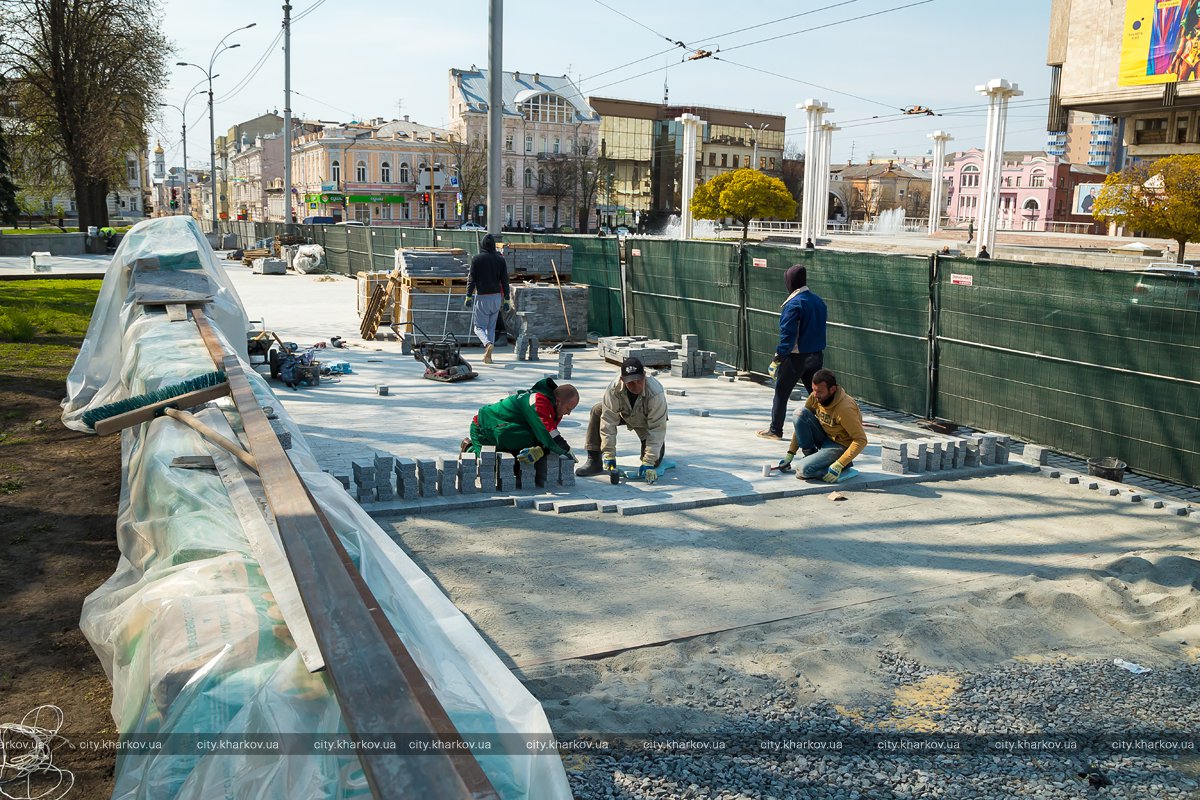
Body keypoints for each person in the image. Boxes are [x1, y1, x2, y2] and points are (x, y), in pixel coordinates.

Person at [467, 377, 579, 487]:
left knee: (517, 468)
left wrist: (540, 450)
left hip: (505, 432)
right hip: (485, 429)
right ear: (558, 401)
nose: (568, 413)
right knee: (489, 469)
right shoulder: (538, 401)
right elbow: (549, 436)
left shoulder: (555, 410)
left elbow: (546, 437)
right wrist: (567, 450)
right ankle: (469, 447)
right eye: (568, 409)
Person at [758, 264, 827, 441]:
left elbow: (788, 335)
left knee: (781, 392)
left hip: (796, 358)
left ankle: (775, 430)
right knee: (817, 395)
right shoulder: (818, 301)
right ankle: (829, 429)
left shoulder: (793, 304)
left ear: (790, 282)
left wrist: (778, 357)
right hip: (816, 355)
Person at [576, 357, 669, 483]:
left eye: (639, 381)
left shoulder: (655, 392)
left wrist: (649, 460)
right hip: (624, 414)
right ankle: (594, 461)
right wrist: (609, 453)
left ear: (644, 376)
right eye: (630, 382)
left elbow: (657, 428)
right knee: (598, 410)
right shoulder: (613, 389)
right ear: (622, 380)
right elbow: (608, 421)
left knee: (654, 462)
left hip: (645, 421)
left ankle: (652, 458)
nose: (636, 386)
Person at [775, 369, 867, 482]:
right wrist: (791, 453)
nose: (815, 395)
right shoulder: (815, 396)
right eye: (814, 390)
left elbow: (861, 440)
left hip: (840, 445)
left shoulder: (845, 408)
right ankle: (811, 456)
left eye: (819, 392)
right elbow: (801, 424)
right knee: (799, 413)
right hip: (825, 437)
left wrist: (840, 464)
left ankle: (844, 468)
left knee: (803, 471)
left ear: (832, 389)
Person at [464, 234, 511, 364]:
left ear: (482, 244)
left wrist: (468, 295)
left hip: (482, 297)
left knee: (478, 327)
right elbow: (505, 280)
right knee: (491, 327)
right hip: (496, 297)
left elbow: (472, 278)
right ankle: (488, 356)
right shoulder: (500, 260)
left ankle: (487, 343)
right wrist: (507, 299)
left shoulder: (477, 259)